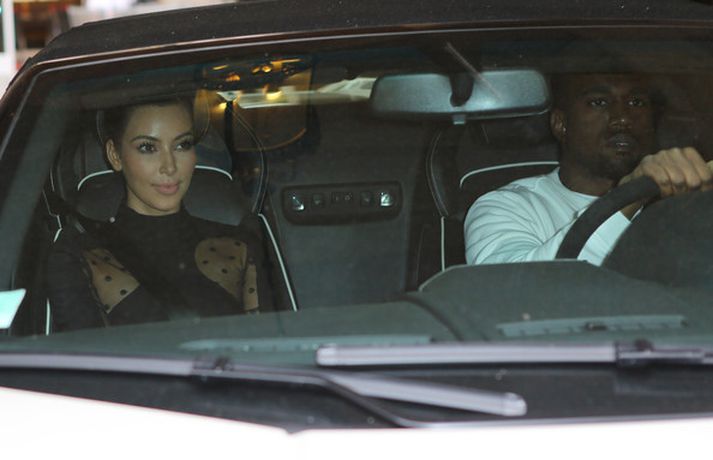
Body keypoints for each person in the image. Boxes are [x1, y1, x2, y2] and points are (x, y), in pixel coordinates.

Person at [47, 98, 272, 332]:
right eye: (148, 147)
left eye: (182, 145)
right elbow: (87, 352)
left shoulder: (241, 245)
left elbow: (269, 345)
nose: (169, 166)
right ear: (115, 155)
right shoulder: (79, 255)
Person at [464, 73, 713, 265]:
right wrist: (629, 195)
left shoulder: (688, 202)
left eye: (636, 102)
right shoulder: (507, 206)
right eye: (599, 102)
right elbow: (513, 290)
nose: (623, 118)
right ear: (561, 124)